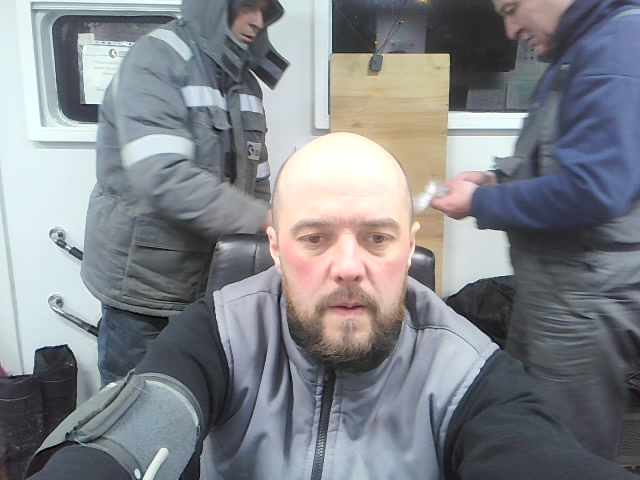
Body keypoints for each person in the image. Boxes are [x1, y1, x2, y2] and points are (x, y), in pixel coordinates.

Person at [26, 132, 639, 480]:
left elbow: (535, 454)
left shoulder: (468, 371)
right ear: (275, 246)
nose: (348, 265)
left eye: (377, 238)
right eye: (315, 238)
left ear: (409, 247)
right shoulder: (219, 332)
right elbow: (140, 424)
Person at [431, 0, 640, 460]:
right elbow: (560, 164)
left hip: (580, 304)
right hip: (551, 293)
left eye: (512, 8)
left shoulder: (616, 47)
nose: (509, 30)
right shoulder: (580, 50)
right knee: (529, 430)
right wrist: (494, 180)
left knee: (562, 452)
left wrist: (480, 202)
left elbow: (596, 190)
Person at [80, 0, 289, 385]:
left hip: (210, 285)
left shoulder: (246, 84)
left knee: (200, 392)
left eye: (263, 11)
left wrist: (271, 238)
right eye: (247, 7)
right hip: (146, 290)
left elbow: (257, 180)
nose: (257, 21)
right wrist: (265, 219)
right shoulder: (156, 59)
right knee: (138, 401)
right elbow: (162, 176)